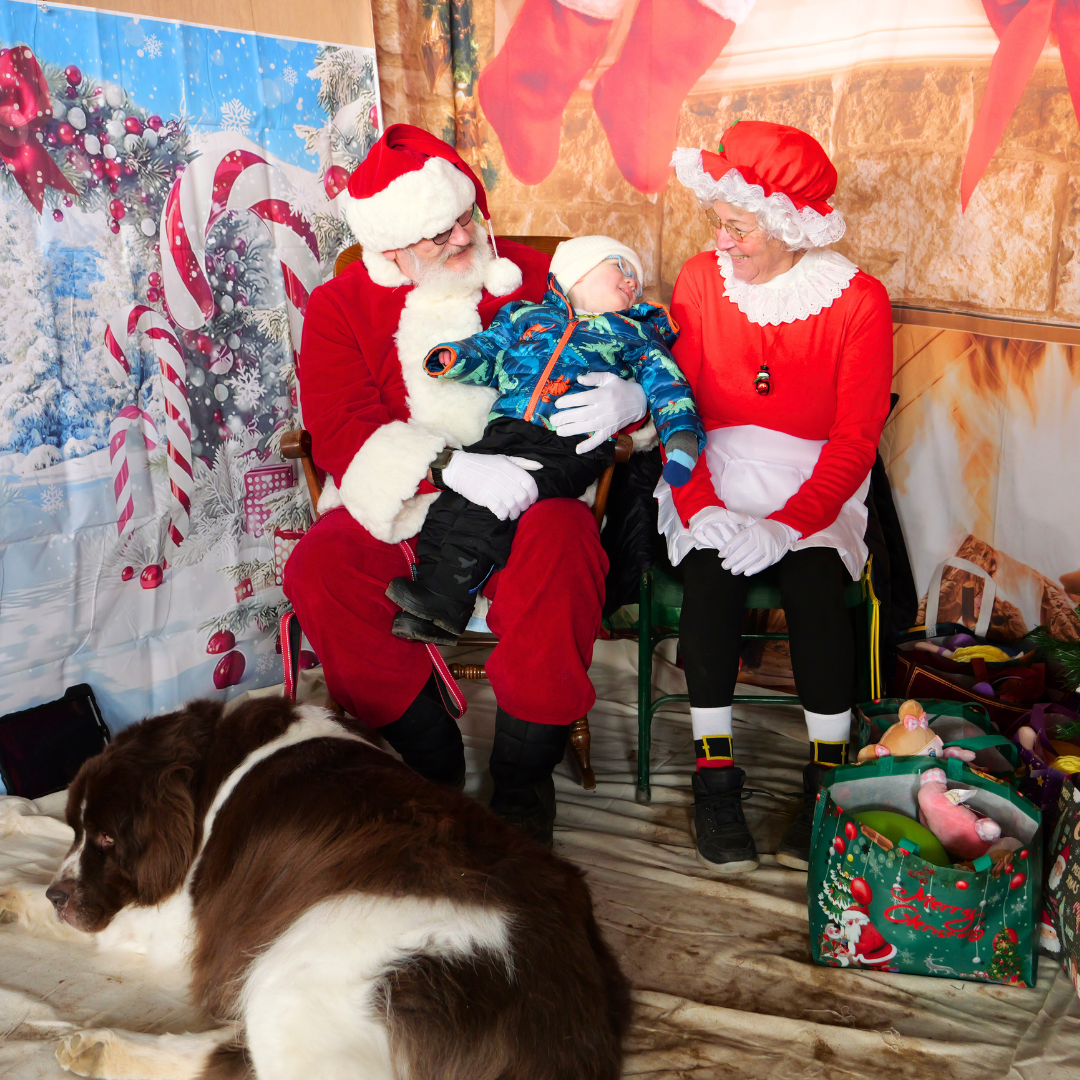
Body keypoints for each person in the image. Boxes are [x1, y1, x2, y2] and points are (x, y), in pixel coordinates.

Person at [282, 125, 651, 845]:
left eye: (464, 219)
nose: (461, 239)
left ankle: (522, 776)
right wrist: (448, 467)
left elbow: (634, 334)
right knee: (320, 565)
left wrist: (630, 404)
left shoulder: (538, 274)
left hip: (533, 482)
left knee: (566, 547)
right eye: (435, 234)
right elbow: (341, 426)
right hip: (414, 491)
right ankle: (428, 758)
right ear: (392, 251)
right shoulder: (340, 307)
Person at [662, 120, 894, 875]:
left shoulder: (859, 302)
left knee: (818, 589)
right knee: (710, 581)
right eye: (718, 222)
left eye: (739, 227)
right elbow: (677, 411)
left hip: (817, 479)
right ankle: (713, 778)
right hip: (715, 465)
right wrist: (699, 505)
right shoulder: (701, 279)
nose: (721, 241)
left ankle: (828, 778)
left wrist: (791, 525)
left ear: (792, 228)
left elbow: (856, 440)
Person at [386, 235, 705, 644]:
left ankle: (448, 596)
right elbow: (490, 350)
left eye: (637, 283)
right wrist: (453, 357)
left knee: (495, 504)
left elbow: (670, 388)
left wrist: (680, 440)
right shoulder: (525, 317)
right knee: (452, 503)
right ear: (575, 271)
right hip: (506, 430)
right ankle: (434, 603)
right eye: (620, 268)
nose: (631, 283)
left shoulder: (635, 334)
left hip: (569, 444)